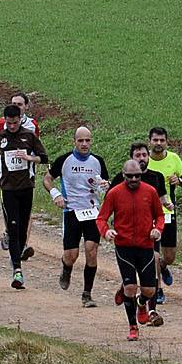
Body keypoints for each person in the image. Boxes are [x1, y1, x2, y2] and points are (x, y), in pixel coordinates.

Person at [101, 158, 166, 341]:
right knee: (130, 288)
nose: (134, 179)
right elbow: (101, 218)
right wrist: (106, 232)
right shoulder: (114, 193)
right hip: (124, 247)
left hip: (146, 245)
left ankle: (141, 303)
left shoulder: (150, 191)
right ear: (123, 175)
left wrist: (157, 229)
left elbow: (160, 215)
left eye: (137, 176)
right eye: (130, 176)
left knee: (149, 291)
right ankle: (133, 327)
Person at [49, 126, 111, 308]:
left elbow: (105, 187)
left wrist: (105, 188)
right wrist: (56, 194)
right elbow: (47, 179)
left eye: (88, 140)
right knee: (71, 255)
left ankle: (87, 294)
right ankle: (66, 268)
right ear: (74, 142)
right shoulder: (64, 160)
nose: (84, 144)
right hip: (71, 212)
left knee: (91, 251)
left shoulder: (98, 161)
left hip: (92, 212)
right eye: (81, 141)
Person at [0, 103, 47, 288]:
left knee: (22, 227)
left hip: (26, 186)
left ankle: (18, 254)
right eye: (9, 123)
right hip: (8, 188)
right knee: (13, 226)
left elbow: (43, 157)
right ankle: (17, 269)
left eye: (15, 123)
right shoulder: (0, 137)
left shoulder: (29, 136)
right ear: (5, 121)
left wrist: (30, 158)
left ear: (19, 120)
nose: (12, 127)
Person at [145, 127, 182, 298]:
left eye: (162, 140)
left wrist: (179, 180)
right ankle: (158, 290)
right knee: (153, 253)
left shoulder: (174, 158)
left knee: (169, 256)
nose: (158, 143)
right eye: (155, 140)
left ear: (166, 142)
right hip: (148, 213)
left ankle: (163, 266)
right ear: (150, 141)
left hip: (168, 211)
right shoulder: (144, 160)